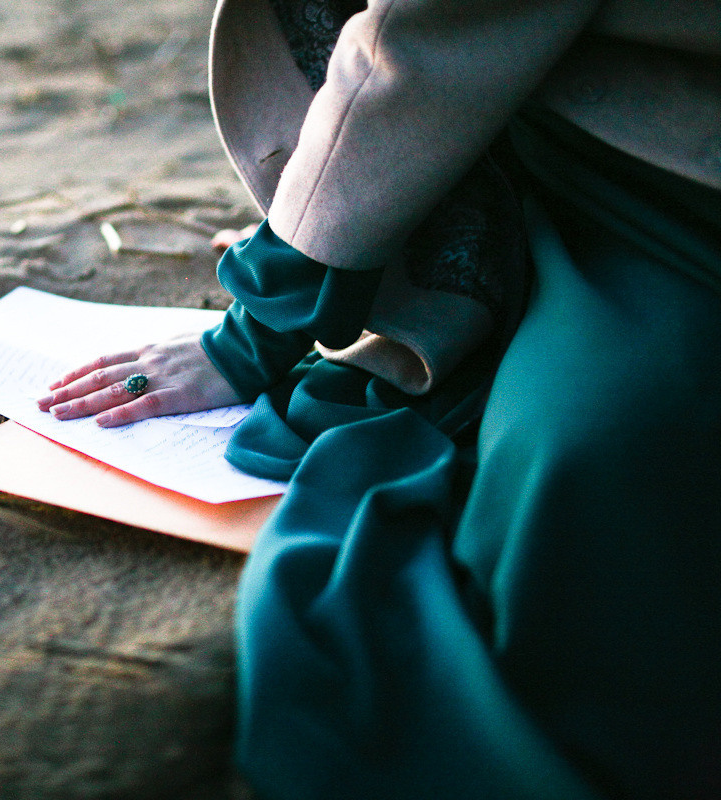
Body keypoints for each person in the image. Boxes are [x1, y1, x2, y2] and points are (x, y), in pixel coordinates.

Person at [39, 1, 721, 797]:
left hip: (669, 172)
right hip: (493, 158)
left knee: (595, 460)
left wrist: (258, 327)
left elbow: (421, 37)